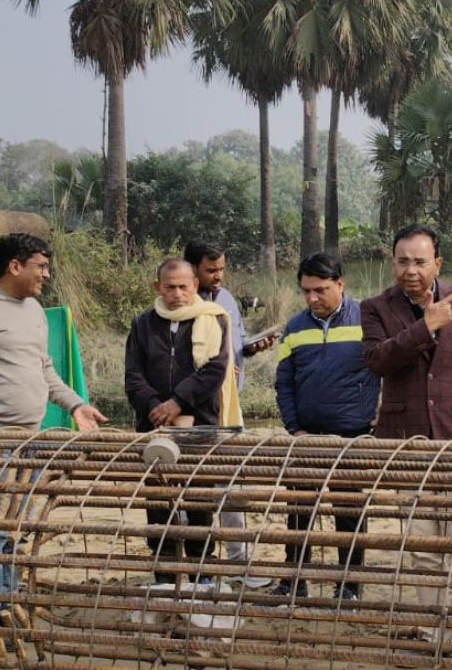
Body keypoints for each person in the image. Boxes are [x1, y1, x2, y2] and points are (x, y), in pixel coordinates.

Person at [0, 232, 107, 619]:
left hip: (31, 439)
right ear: (14, 266)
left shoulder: (34, 310)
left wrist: (76, 404)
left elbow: (44, 370)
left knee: (18, 529)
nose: (46, 274)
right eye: (40, 267)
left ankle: (9, 609)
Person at [361, 224, 452, 649]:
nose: (411, 270)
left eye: (420, 262)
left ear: (437, 263)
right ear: (392, 263)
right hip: (406, 443)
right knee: (423, 547)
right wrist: (425, 326)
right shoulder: (375, 308)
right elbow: (377, 361)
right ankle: (431, 632)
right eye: (402, 261)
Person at [271, 253, 379, 601]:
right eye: (306, 291)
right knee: (299, 509)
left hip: (353, 435)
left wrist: (383, 411)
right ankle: (294, 581)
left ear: (340, 284)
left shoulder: (367, 319)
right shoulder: (295, 327)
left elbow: (391, 366)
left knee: (349, 511)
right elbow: (284, 383)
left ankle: (348, 586)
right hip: (307, 436)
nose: (313, 298)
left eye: (320, 290)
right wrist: (294, 429)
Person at [124, 258, 239, 585]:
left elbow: (215, 370)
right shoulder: (143, 324)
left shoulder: (214, 319)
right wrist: (155, 407)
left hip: (199, 424)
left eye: (183, 287)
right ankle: (165, 575)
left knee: (200, 499)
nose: (176, 294)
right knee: (159, 502)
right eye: (169, 287)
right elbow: (133, 376)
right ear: (157, 287)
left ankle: (202, 574)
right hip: (154, 426)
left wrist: (178, 403)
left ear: (195, 286)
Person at [183, 239, 277, 586]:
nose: (218, 275)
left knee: (233, 485)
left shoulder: (226, 300)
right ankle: (194, 567)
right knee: (192, 491)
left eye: (221, 268)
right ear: (193, 269)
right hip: (194, 412)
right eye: (211, 270)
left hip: (229, 407)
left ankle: (238, 564)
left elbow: (236, 344)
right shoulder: (182, 303)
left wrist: (250, 348)